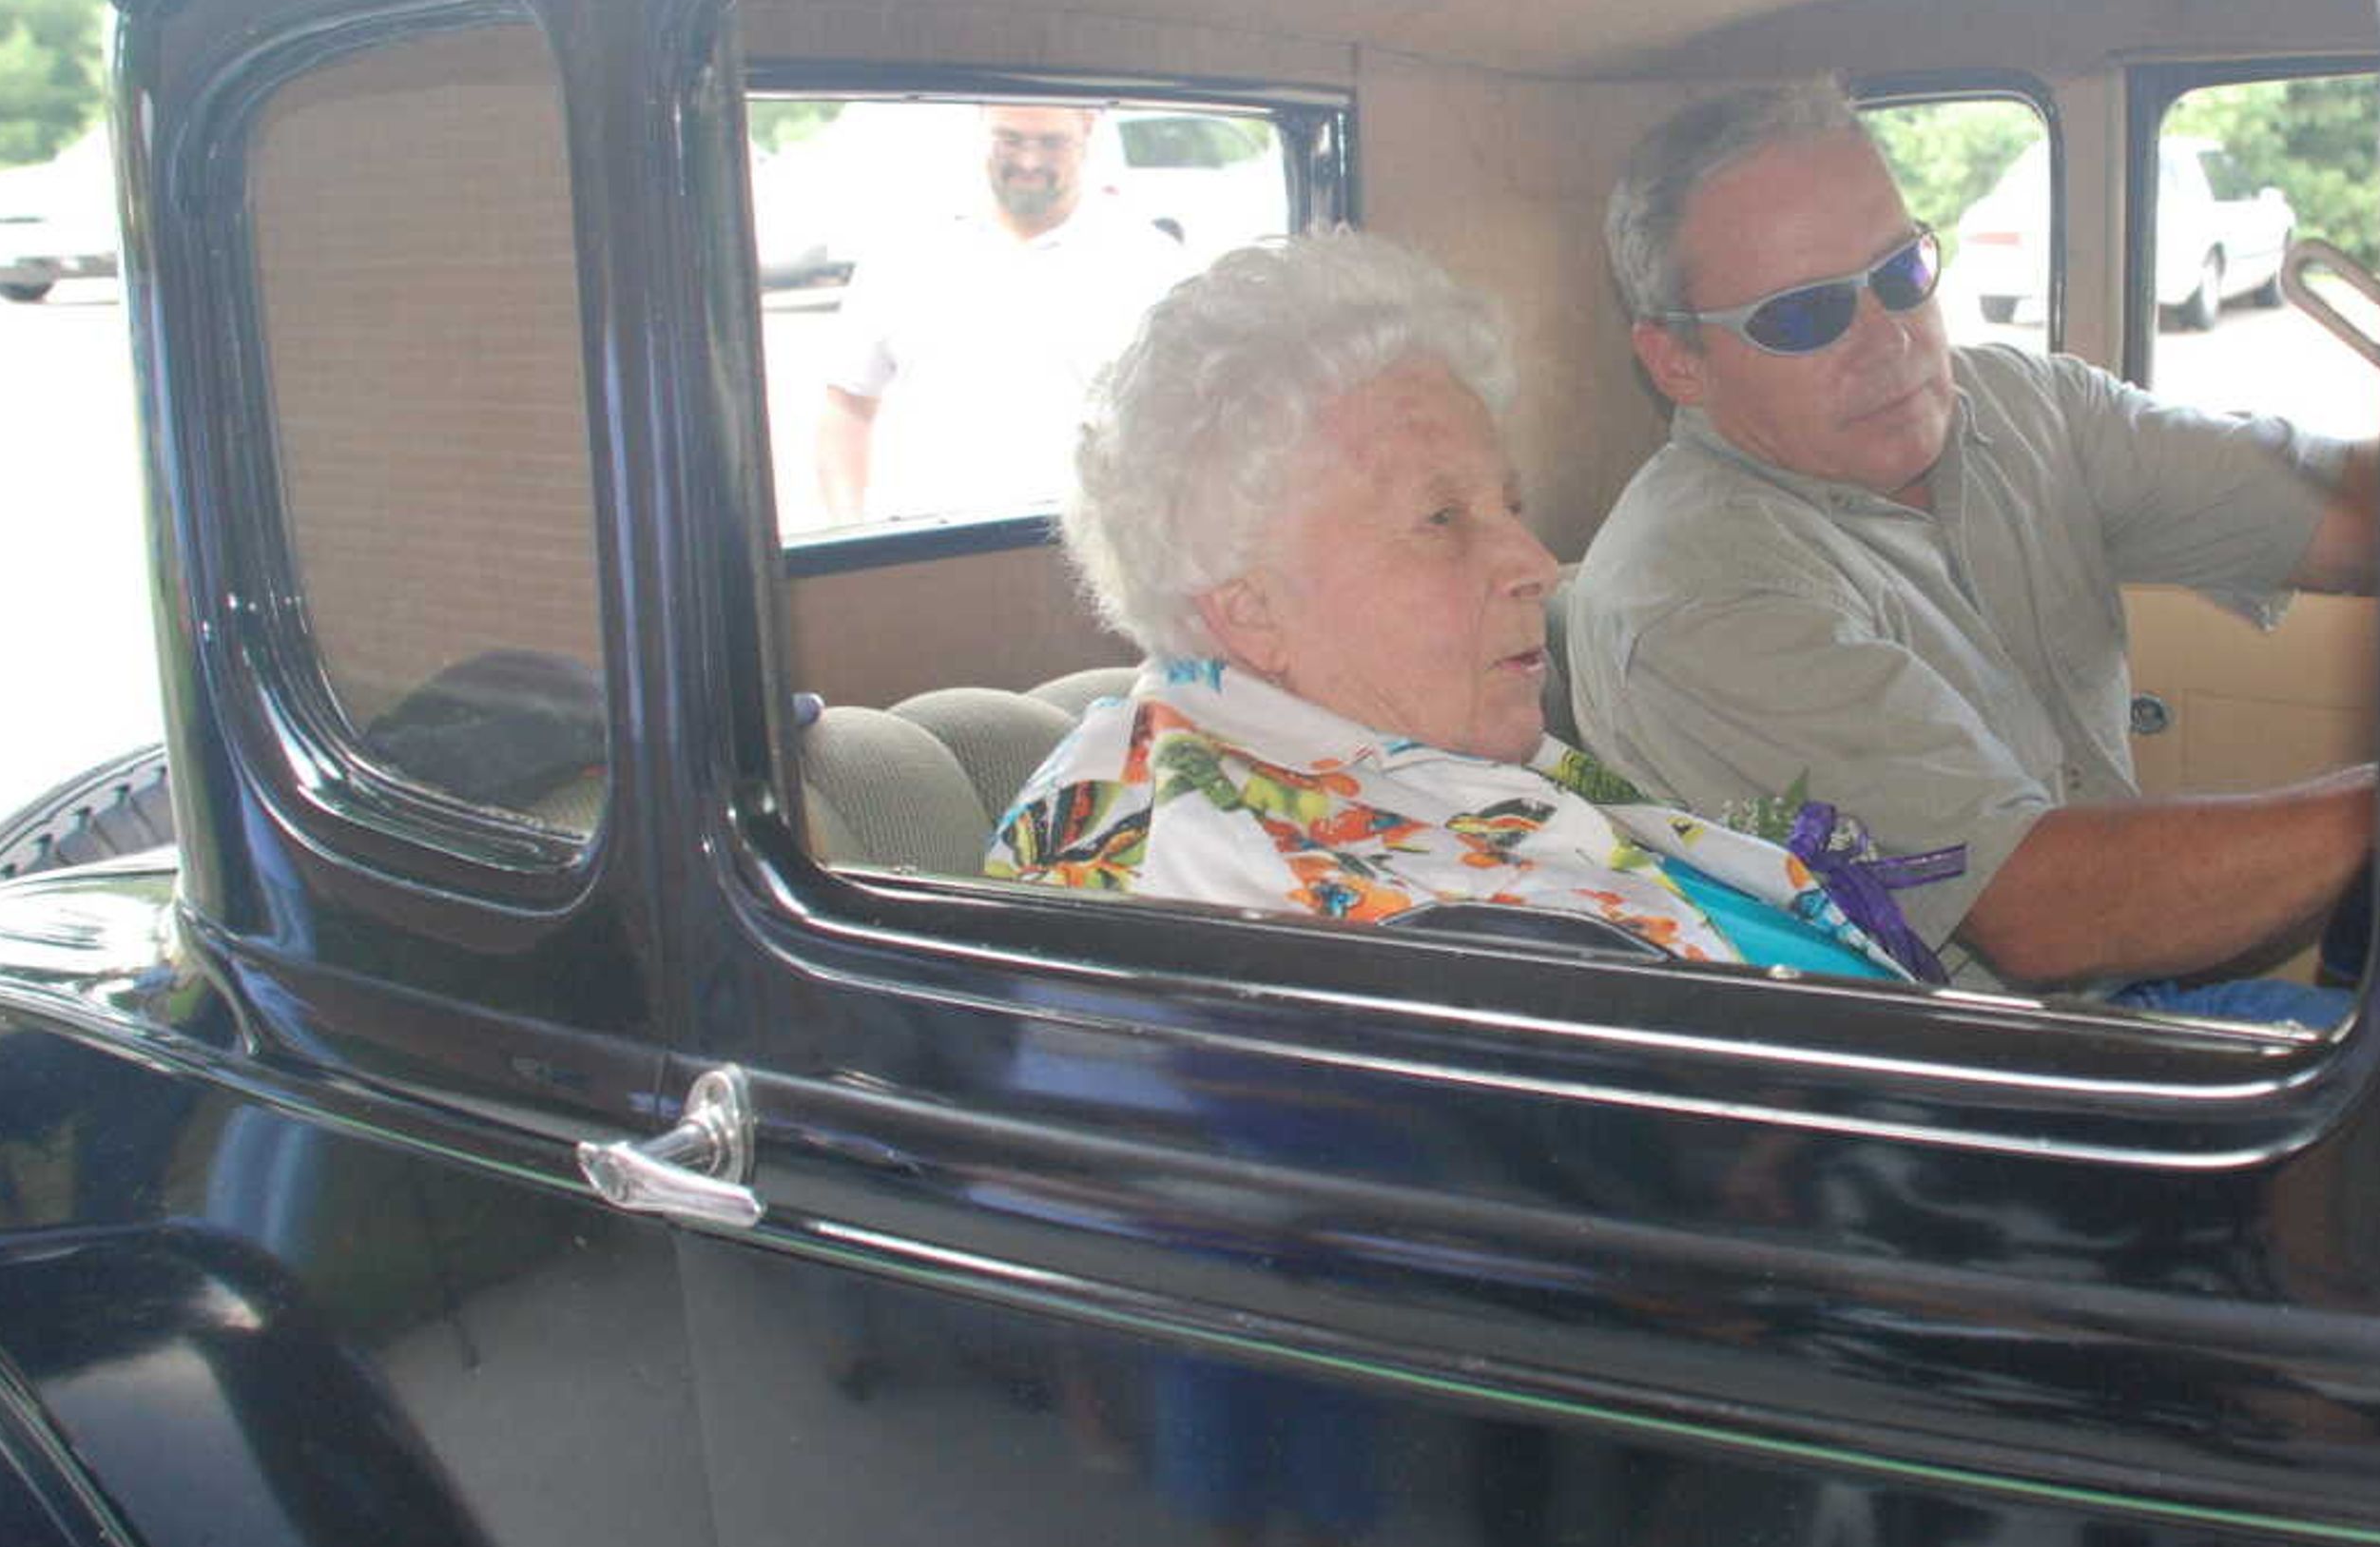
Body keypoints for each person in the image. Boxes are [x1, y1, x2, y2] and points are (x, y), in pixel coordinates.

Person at [1566, 82, 2379, 1002]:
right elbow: (2035, 910)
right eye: (1804, 314)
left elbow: (2340, 508)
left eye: (1900, 272)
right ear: (1677, 359)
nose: (1891, 338)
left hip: (2113, 1008)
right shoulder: (1699, 590)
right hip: (1929, 1092)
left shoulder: (2016, 407)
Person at [986, 230, 1924, 980]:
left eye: (1509, 505)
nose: (1533, 563)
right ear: (1251, 611)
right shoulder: (1209, 869)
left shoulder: (1401, 757)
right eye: (1441, 517)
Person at [809, 101, 1184, 524]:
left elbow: (1190, 425)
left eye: (1051, 142)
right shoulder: (904, 254)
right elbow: (847, 407)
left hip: (1095, 558)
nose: (1029, 161)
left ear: (1087, 130)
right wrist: (851, 533)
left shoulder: (1152, 262)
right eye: (1010, 140)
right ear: (981, 124)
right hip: (919, 553)